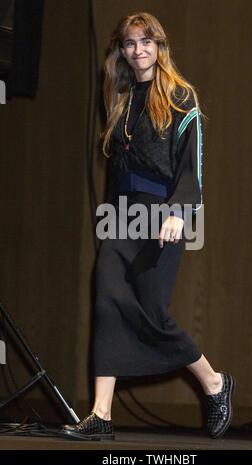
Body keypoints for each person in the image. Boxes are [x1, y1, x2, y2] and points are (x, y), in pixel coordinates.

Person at [61, 11, 235, 441]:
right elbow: (117, 170)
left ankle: (214, 382)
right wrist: (109, 219)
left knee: (151, 313)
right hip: (119, 215)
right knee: (106, 302)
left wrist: (178, 213)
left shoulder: (181, 97)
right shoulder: (119, 95)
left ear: (159, 46)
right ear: (121, 50)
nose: (137, 50)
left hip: (163, 214)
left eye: (145, 42)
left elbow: (191, 167)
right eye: (129, 43)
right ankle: (101, 415)